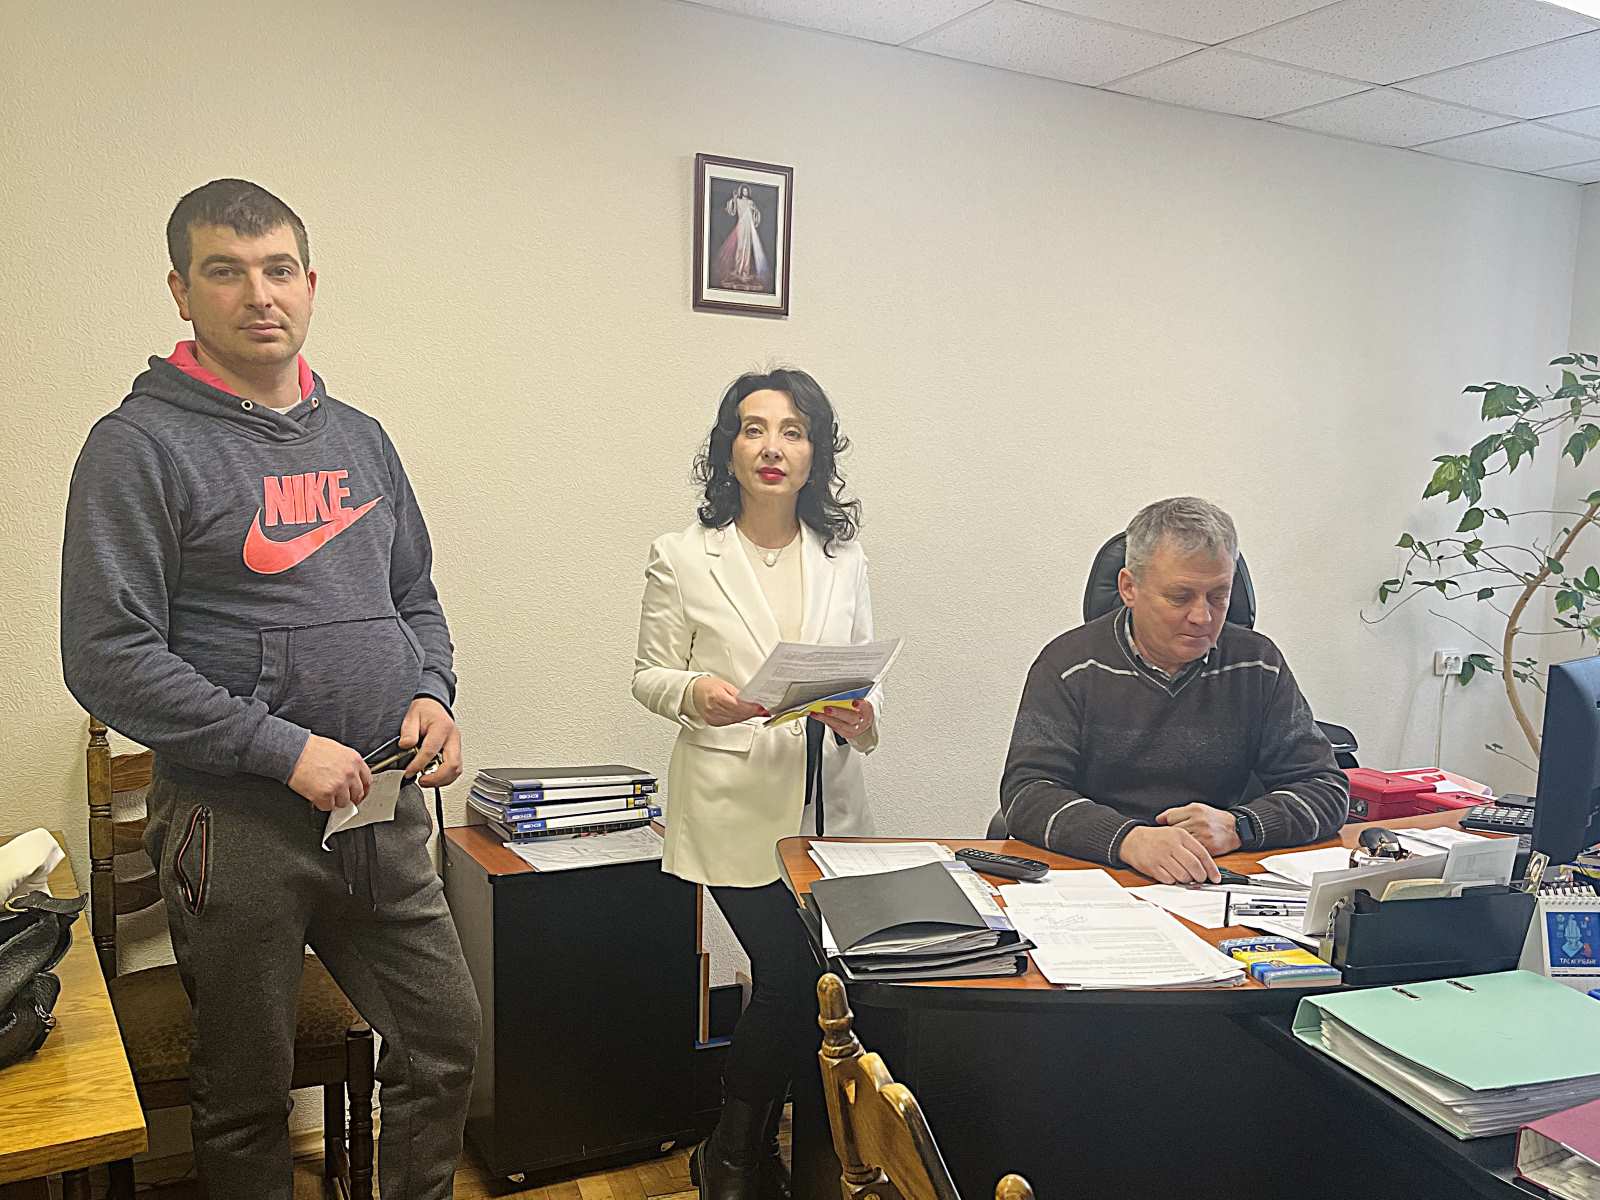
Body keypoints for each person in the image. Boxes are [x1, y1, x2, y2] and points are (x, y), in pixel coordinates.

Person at [60, 178, 480, 1199]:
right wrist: (282, 749)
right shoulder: (137, 447)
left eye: (279, 269)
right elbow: (107, 655)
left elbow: (414, 596)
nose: (260, 294)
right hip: (235, 824)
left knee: (443, 1045)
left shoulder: (361, 438)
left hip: (381, 808)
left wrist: (433, 691)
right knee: (248, 1095)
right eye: (226, 271)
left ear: (310, 284)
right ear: (180, 291)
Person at [633, 369, 878, 1200]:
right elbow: (649, 675)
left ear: (815, 455)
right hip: (730, 800)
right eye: (754, 428)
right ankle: (732, 1153)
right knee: (789, 973)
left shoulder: (845, 560)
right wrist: (696, 693)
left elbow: (866, 678)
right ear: (728, 450)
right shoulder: (682, 555)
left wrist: (860, 715)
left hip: (824, 804)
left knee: (817, 982)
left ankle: (762, 1150)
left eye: (794, 431)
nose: (773, 447)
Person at [999, 496, 1349, 884]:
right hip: (1100, 878)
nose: (1202, 616)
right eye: (1180, 597)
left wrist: (1241, 826)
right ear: (1129, 588)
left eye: (1219, 596)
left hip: (1216, 877)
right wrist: (1128, 839)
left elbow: (1326, 789)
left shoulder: (1257, 664)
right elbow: (1027, 794)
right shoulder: (1068, 665)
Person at [715, 184, 768, 290]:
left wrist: (754, 211)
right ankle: (738, 269)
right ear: (741, 192)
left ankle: (745, 271)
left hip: (749, 227)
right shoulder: (738, 201)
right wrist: (734, 199)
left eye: (746, 191)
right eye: (743, 191)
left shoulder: (750, 202)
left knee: (747, 249)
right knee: (740, 248)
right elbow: (732, 211)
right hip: (741, 225)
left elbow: (756, 214)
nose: (745, 193)